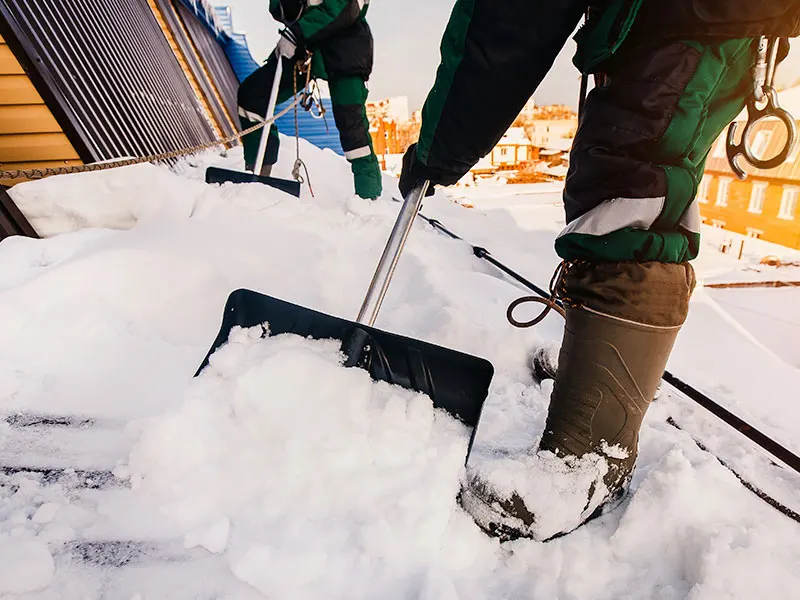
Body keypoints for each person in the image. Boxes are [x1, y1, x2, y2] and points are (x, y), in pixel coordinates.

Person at [399, 0, 799, 542]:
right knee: (618, 189)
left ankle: (589, 462)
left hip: (690, 23)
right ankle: (600, 381)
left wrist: (440, 146)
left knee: (632, 199)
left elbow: (502, 23)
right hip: (676, 22)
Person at [237, 0, 382, 200]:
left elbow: (345, 6)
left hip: (345, 46)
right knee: (253, 95)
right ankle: (259, 177)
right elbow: (281, 11)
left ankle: (369, 197)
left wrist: (297, 32)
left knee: (352, 127)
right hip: (307, 45)